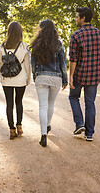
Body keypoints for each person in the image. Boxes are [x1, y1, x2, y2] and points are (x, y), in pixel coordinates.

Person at [69, 7, 100, 141]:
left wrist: (71, 76)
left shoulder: (76, 35)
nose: (75, 19)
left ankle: (79, 124)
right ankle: (89, 134)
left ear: (83, 18)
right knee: (90, 103)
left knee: (73, 98)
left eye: (77, 16)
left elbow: (73, 59)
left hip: (80, 74)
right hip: (94, 75)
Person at [30, 19, 68, 147]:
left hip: (41, 77)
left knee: (42, 106)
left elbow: (33, 64)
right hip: (56, 77)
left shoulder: (36, 44)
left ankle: (43, 135)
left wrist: (35, 76)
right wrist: (65, 79)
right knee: (50, 104)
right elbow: (63, 63)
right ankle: (47, 125)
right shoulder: (58, 44)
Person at [0, 21, 31, 140]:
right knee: (19, 102)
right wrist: (28, 77)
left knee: (9, 104)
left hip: (7, 79)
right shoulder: (24, 46)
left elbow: (0, 64)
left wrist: (2, 77)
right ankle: (19, 126)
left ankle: (11, 130)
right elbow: (27, 64)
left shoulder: (2, 47)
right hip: (20, 78)